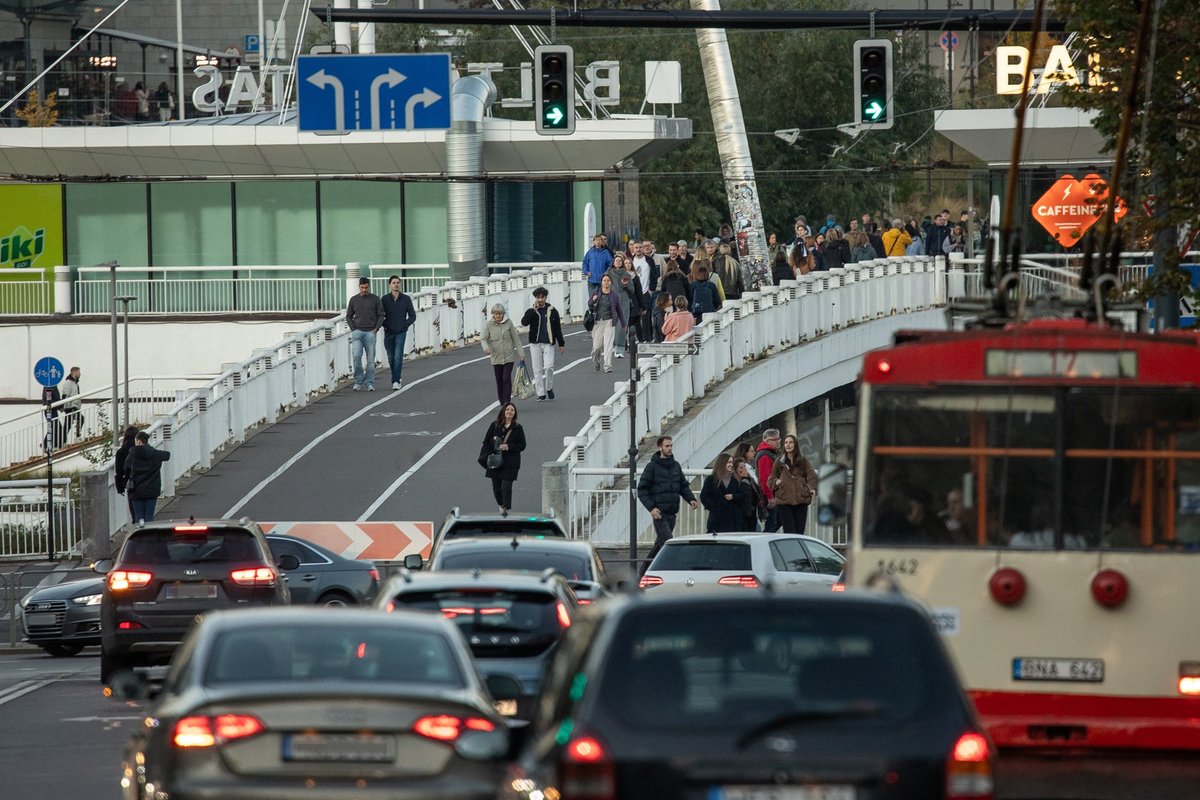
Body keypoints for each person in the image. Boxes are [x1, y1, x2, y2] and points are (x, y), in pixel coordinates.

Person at [637, 435, 698, 570]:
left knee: (659, 546)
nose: (670, 448)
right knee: (668, 544)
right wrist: (652, 508)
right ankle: (676, 571)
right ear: (660, 448)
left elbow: (682, 485)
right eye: (667, 446)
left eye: (671, 446)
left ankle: (643, 574)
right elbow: (642, 490)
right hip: (660, 514)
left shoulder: (675, 466)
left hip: (672, 513)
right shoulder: (652, 467)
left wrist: (691, 499)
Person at [520, 287, 565, 402]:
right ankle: (541, 393)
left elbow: (557, 328)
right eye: (538, 297)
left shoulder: (552, 310)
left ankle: (549, 387)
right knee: (537, 369)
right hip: (535, 343)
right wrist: (532, 311)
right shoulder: (531, 311)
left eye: (542, 297)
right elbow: (524, 322)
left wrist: (561, 343)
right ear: (535, 298)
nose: (540, 300)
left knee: (549, 367)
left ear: (545, 297)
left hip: (548, 342)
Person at [768, 434, 818, 534]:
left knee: (799, 532)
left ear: (795, 445)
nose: (788, 445)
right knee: (789, 531)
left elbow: (811, 475)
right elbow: (770, 479)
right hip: (784, 502)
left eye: (791, 442)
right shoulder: (779, 462)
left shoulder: (803, 461)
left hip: (801, 500)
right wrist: (775, 482)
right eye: (786, 443)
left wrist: (811, 488)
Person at [481, 402, 525, 515]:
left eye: (512, 410)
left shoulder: (518, 428)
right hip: (495, 461)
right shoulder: (494, 425)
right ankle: (501, 504)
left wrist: (508, 446)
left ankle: (505, 507)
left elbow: (522, 445)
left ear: (514, 413)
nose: (509, 412)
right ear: (503, 412)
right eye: (507, 410)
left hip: (510, 463)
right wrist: (494, 442)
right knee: (496, 488)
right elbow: (486, 441)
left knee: (506, 486)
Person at [481, 303, 524, 405]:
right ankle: (502, 401)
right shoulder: (489, 325)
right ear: (493, 314)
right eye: (496, 314)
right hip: (496, 357)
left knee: (506, 378)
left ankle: (507, 401)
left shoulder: (509, 323)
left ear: (503, 314)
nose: (498, 316)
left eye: (500, 313)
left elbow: (516, 339)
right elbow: (483, 339)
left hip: (509, 356)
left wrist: (521, 353)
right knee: (499, 380)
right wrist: (486, 348)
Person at [346, 276, 384, 391]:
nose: (364, 290)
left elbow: (381, 315)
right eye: (362, 287)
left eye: (366, 287)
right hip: (357, 332)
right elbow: (348, 316)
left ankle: (369, 382)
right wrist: (353, 328)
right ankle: (358, 380)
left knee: (371, 360)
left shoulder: (375, 299)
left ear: (369, 287)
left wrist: (376, 329)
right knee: (356, 356)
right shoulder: (353, 300)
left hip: (370, 332)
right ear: (359, 287)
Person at [126, 431, 171, 525]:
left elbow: (126, 467)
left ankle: (139, 537)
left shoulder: (132, 454)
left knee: (139, 518)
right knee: (149, 517)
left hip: (136, 490)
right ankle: (149, 537)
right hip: (152, 490)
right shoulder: (155, 453)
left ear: (138, 441)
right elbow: (167, 455)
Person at [381, 275, 417, 390]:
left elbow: (412, 315)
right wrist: (385, 324)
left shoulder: (406, 299)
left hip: (401, 331)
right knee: (391, 357)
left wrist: (404, 325)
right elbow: (381, 315)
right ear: (390, 285)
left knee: (398, 356)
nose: (396, 284)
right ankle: (396, 376)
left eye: (397, 282)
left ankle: (396, 380)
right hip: (389, 331)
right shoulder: (385, 299)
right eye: (393, 283)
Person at [588, 274, 626, 373]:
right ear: (601, 282)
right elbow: (590, 304)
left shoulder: (614, 296)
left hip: (609, 322)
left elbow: (619, 310)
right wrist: (593, 300)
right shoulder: (596, 292)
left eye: (608, 280)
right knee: (596, 347)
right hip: (598, 322)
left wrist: (623, 324)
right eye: (604, 280)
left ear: (611, 283)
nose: (606, 282)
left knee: (608, 345)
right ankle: (596, 361)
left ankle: (607, 366)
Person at [701, 453, 744, 533]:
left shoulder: (736, 480)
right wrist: (714, 508)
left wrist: (733, 496)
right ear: (722, 463)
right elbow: (704, 496)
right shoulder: (711, 479)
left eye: (732, 462)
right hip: (717, 519)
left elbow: (742, 495)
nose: (731, 465)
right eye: (729, 462)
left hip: (733, 520)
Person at [755, 429, 783, 532]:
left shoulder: (768, 454)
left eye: (778, 439)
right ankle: (763, 542)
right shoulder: (766, 456)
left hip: (773, 493)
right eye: (775, 439)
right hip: (770, 494)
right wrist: (770, 497)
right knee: (773, 523)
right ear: (767, 441)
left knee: (776, 521)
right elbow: (764, 478)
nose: (778, 441)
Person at [113, 426, 138, 522]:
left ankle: (137, 529)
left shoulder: (121, 452)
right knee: (146, 514)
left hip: (130, 484)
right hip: (145, 482)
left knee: (134, 512)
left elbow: (119, 472)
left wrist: (120, 487)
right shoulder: (140, 449)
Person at [734, 457, 763, 532]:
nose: (743, 469)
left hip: (751, 513)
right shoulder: (736, 482)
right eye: (740, 467)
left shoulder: (750, 480)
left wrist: (747, 477)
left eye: (744, 467)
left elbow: (757, 494)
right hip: (742, 515)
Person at [59, 366, 82, 442]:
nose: (80, 374)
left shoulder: (75, 383)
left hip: (75, 406)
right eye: (78, 372)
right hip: (70, 406)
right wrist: (64, 406)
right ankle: (63, 440)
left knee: (78, 420)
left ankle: (74, 437)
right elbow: (65, 395)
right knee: (68, 424)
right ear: (74, 372)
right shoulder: (68, 383)